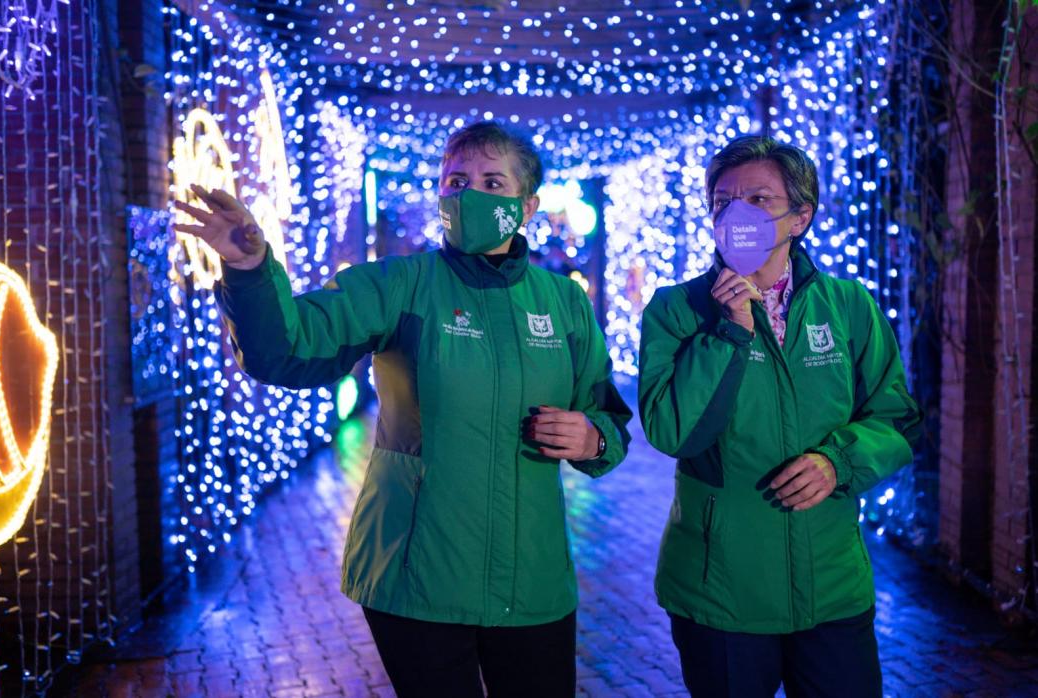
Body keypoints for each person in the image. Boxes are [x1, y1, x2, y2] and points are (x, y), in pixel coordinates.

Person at [174, 120, 632, 698]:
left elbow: (607, 418)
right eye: (456, 180)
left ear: (527, 204)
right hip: (416, 573)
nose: (471, 194)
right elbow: (286, 353)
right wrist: (250, 270)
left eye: (493, 182)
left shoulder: (563, 302)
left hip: (533, 577)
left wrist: (593, 439)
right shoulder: (398, 285)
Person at [637, 135, 920, 698]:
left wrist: (838, 461)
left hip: (833, 587)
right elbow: (674, 431)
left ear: (800, 218)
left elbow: (896, 419)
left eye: (760, 199)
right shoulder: (677, 309)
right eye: (722, 201)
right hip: (720, 591)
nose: (736, 213)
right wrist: (730, 331)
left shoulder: (848, 307)